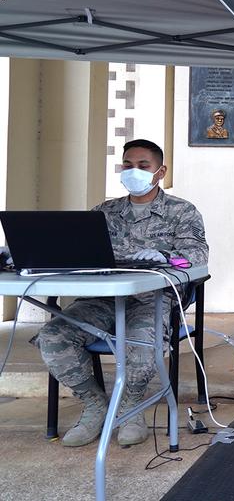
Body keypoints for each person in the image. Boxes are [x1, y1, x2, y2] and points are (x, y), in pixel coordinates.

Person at [32, 139, 209, 448]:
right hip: (100, 299)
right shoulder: (104, 211)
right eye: (128, 165)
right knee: (54, 336)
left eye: (143, 166)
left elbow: (197, 258)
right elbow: (76, 252)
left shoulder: (182, 211)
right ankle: (95, 405)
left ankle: (130, 408)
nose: (133, 171)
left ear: (160, 171)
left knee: (143, 346)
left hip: (151, 299)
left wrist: (167, 258)